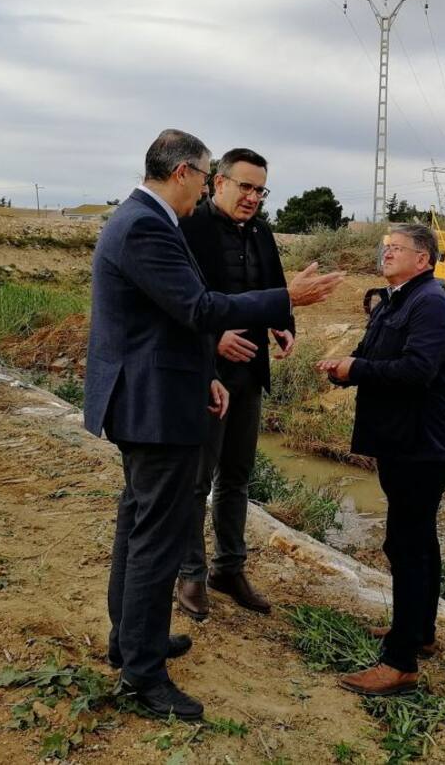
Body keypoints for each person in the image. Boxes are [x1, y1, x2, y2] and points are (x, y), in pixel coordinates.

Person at [83, 129, 343, 722]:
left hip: (160, 391)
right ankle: (144, 677)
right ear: (185, 173)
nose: (205, 188)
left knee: (138, 521)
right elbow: (200, 309)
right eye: (206, 176)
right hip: (154, 405)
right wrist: (288, 298)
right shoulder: (148, 225)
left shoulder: (141, 220)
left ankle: (130, 642)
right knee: (157, 535)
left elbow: (170, 317)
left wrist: (206, 372)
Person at [316, 223, 445, 697]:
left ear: (424, 259)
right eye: (385, 249)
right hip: (400, 442)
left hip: (422, 446)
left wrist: (357, 369)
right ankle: (419, 633)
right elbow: (371, 357)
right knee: (416, 542)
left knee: (408, 545)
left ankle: (400, 664)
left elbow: (418, 371)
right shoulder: (393, 300)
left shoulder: (431, 304)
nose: (387, 255)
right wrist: (343, 370)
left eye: (397, 249)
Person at [175, 148, 291, 619]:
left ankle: (229, 567)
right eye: (245, 186)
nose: (253, 197)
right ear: (217, 182)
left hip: (250, 373)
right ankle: (189, 573)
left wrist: (285, 325)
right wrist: (213, 338)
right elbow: (178, 302)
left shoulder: (262, 232)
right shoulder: (189, 227)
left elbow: (277, 290)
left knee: (237, 477)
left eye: (260, 190)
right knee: (196, 481)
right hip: (206, 376)